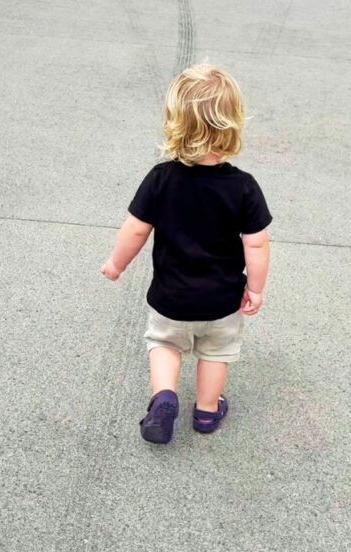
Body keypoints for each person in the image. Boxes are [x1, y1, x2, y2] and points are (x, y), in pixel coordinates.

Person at [100, 63, 272, 445]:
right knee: (216, 353)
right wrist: (256, 289)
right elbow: (257, 243)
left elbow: (136, 229)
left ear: (175, 123)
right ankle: (207, 412)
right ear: (232, 125)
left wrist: (116, 264)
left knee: (164, 344)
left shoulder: (161, 179)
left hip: (171, 297)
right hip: (221, 301)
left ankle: (165, 396)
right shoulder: (243, 187)